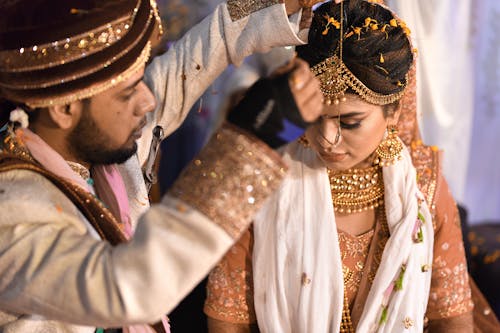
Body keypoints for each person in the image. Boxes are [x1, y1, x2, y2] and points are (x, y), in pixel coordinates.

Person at [0, 0, 325, 332]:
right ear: (64, 109)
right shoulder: (12, 213)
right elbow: (129, 289)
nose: (149, 100)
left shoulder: (100, 144)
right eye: (128, 93)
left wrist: (276, 5)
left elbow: (196, 57)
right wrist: (250, 144)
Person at [204, 1, 476, 332]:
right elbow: (227, 319)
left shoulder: (422, 183)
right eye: (314, 117)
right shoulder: (262, 172)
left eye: (350, 122)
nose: (328, 139)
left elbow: (452, 317)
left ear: (392, 112)